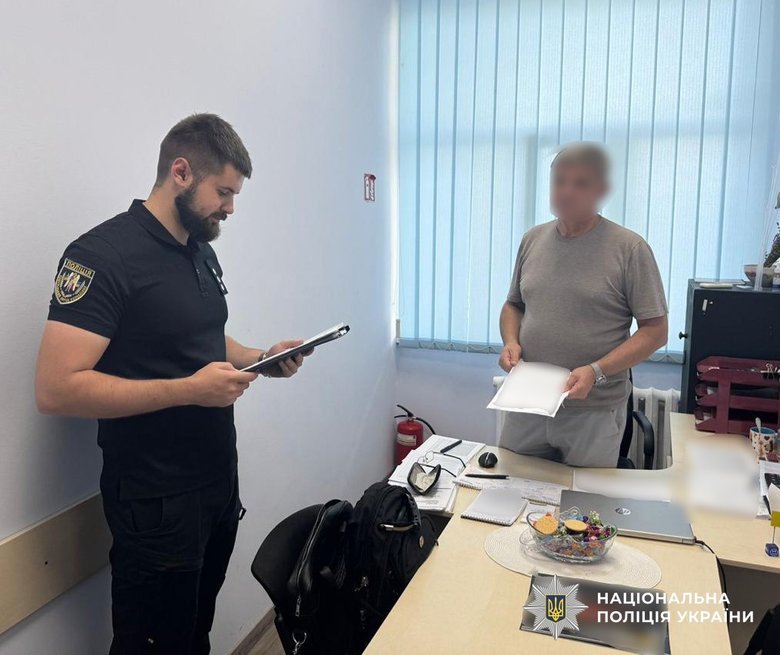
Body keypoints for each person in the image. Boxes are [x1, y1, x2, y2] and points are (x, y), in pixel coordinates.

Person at [35, 114, 309, 654]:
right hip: (154, 501)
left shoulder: (200, 249)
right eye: (223, 192)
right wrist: (188, 390)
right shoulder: (102, 256)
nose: (231, 208)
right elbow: (56, 388)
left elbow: (203, 338)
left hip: (215, 485)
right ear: (181, 172)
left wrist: (261, 358)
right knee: (152, 645)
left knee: (192, 635)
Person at [498, 142, 668, 467]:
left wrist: (596, 371)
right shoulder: (532, 239)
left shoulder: (629, 249)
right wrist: (510, 341)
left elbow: (656, 331)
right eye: (559, 181)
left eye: (580, 183)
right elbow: (513, 305)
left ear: (601, 190)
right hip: (528, 401)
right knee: (512, 487)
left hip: (593, 410)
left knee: (582, 498)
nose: (566, 191)